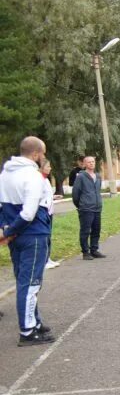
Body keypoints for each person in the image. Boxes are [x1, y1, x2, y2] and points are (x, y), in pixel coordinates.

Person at [0, 136, 55, 345]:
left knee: (25, 281)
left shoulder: (6, 173)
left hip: (17, 235)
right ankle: (27, 331)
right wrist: (9, 231)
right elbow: (29, 212)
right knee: (31, 284)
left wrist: (6, 230)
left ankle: (35, 322)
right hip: (33, 234)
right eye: (43, 153)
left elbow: (2, 206)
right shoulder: (32, 176)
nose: (44, 157)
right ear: (36, 154)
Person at [72, 155, 106, 260]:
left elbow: (97, 191)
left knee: (96, 230)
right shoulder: (81, 177)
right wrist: (81, 205)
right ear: (85, 164)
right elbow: (75, 194)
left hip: (97, 208)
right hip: (86, 209)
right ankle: (85, 252)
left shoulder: (98, 176)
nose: (92, 163)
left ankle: (94, 250)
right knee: (85, 231)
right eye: (89, 162)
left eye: (93, 162)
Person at [41, 160, 60, 270]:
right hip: (43, 212)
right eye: (48, 166)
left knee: (48, 236)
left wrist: (53, 197)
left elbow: (46, 195)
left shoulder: (46, 180)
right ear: (42, 167)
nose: (50, 168)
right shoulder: (38, 180)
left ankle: (47, 258)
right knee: (44, 237)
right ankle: (43, 260)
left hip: (49, 211)